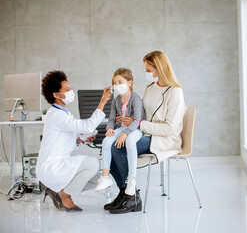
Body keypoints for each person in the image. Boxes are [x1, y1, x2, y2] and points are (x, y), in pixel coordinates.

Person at [105, 50, 185, 214]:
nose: (146, 74)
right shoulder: (151, 85)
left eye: (148, 70)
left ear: (159, 69)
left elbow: (170, 128)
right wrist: (128, 118)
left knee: (118, 147)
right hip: (145, 131)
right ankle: (124, 192)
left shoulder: (174, 91)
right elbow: (142, 111)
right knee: (109, 146)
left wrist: (140, 124)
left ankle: (132, 196)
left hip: (163, 138)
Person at [37, 70, 111, 212]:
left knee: (98, 177)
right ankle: (64, 195)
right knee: (92, 164)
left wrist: (79, 140)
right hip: (51, 167)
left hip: (57, 164)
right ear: (56, 95)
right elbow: (88, 125)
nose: (71, 92)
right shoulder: (57, 115)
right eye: (67, 90)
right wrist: (102, 102)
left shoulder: (62, 113)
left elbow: (61, 143)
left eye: (70, 88)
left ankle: (56, 190)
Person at [95, 68, 145, 195]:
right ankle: (105, 177)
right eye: (114, 83)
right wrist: (109, 129)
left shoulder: (135, 99)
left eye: (120, 82)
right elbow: (111, 119)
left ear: (129, 83)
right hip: (121, 128)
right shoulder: (116, 100)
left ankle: (132, 179)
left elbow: (137, 120)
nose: (116, 85)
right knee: (106, 142)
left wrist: (125, 133)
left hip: (135, 130)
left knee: (130, 141)